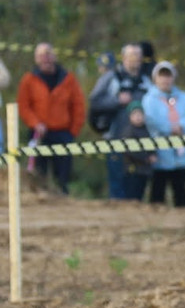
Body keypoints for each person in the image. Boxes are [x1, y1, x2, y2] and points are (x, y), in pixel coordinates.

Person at [16, 42, 85, 194]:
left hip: (63, 133)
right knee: (38, 175)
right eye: (41, 55)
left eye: (48, 54)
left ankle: (63, 203)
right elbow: (23, 106)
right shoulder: (29, 80)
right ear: (36, 59)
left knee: (62, 176)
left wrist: (72, 131)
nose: (45, 58)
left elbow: (78, 106)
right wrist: (35, 123)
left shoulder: (68, 79)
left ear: (54, 56)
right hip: (38, 133)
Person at [88, 42, 153, 199]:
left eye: (138, 56)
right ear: (123, 57)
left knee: (137, 187)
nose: (135, 59)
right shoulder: (111, 78)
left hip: (140, 142)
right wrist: (117, 101)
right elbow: (94, 101)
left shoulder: (146, 81)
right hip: (115, 139)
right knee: (117, 185)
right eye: (131, 56)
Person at [141, 61, 185, 207]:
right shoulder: (149, 98)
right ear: (155, 78)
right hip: (160, 147)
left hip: (181, 148)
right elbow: (151, 119)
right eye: (162, 76)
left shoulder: (183, 96)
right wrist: (169, 128)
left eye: (168, 75)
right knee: (158, 185)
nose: (165, 79)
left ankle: (182, 213)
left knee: (180, 185)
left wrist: (181, 127)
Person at [117, 101, 155, 201]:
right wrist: (146, 158)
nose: (138, 117)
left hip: (144, 171)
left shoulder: (146, 130)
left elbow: (151, 145)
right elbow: (129, 151)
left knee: (140, 195)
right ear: (130, 116)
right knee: (131, 196)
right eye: (135, 114)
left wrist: (153, 155)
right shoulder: (128, 132)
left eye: (140, 114)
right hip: (132, 170)